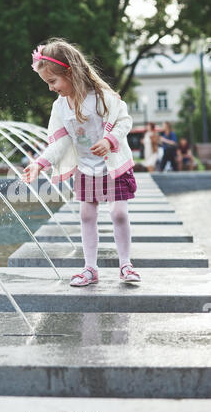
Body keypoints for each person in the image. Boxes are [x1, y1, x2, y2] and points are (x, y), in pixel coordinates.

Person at [22, 38, 141, 285]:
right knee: (87, 215)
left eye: (52, 81)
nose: (50, 88)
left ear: (70, 72)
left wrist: (109, 140)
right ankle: (90, 268)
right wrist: (39, 163)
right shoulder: (61, 107)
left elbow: (124, 121)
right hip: (87, 167)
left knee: (119, 213)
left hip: (111, 164)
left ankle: (126, 265)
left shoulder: (101, 98)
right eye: (47, 83)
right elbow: (61, 143)